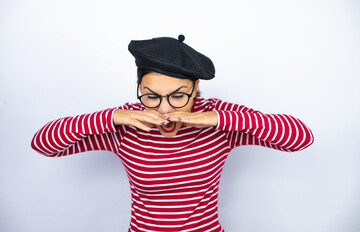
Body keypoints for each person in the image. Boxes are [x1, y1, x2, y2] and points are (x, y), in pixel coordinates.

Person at [31, 35, 314, 232]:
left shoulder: (219, 119)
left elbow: (300, 138)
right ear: (139, 87)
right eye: (151, 96)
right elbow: (43, 144)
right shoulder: (127, 121)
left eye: (179, 96)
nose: (165, 108)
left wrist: (216, 119)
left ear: (195, 87)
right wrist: (114, 117)